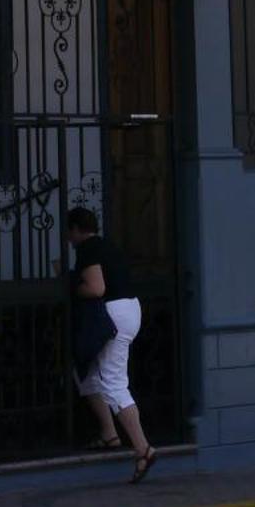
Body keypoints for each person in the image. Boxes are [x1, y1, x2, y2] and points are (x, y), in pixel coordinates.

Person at [65, 205, 156, 482]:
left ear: (76, 230)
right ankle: (109, 434)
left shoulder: (88, 249)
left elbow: (96, 288)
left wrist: (70, 286)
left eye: (69, 232)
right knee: (87, 372)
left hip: (113, 315)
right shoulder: (108, 246)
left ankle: (143, 448)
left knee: (115, 383)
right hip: (130, 310)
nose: (68, 238)